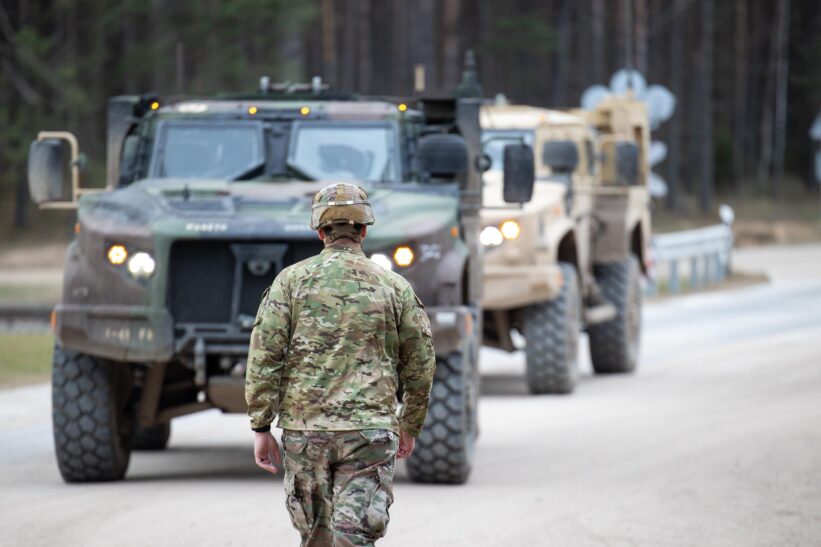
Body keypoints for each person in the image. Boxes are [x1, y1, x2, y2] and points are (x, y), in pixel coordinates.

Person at [245, 182, 436, 547]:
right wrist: (410, 424)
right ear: (364, 230)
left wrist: (261, 426)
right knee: (355, 538)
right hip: (369, 433)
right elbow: (421, 363)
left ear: (320, 232)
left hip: (306, 433)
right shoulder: (394, 286)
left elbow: (264, 356)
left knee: (315, 537)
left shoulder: (289, 283)